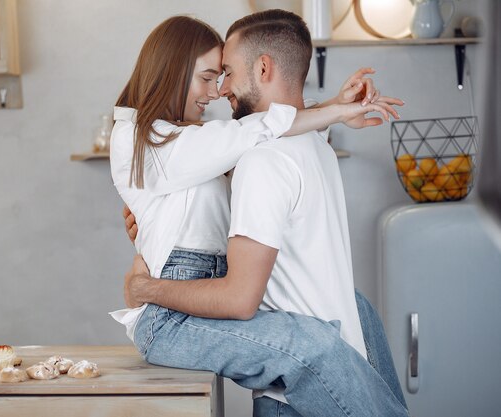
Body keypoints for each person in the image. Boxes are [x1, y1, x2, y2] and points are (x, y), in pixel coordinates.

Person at [111, 12, 407, 417]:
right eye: (210, 76)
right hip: (172, 314)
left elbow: (254, 140)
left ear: (263, 67)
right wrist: (334, 110)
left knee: (357, 312)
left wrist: (331, 111)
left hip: (198, 292)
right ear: (173, 70)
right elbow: (252, 133)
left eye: (224, 74)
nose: (217, 91)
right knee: (308, 345)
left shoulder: (222, 147)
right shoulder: (143, 138)